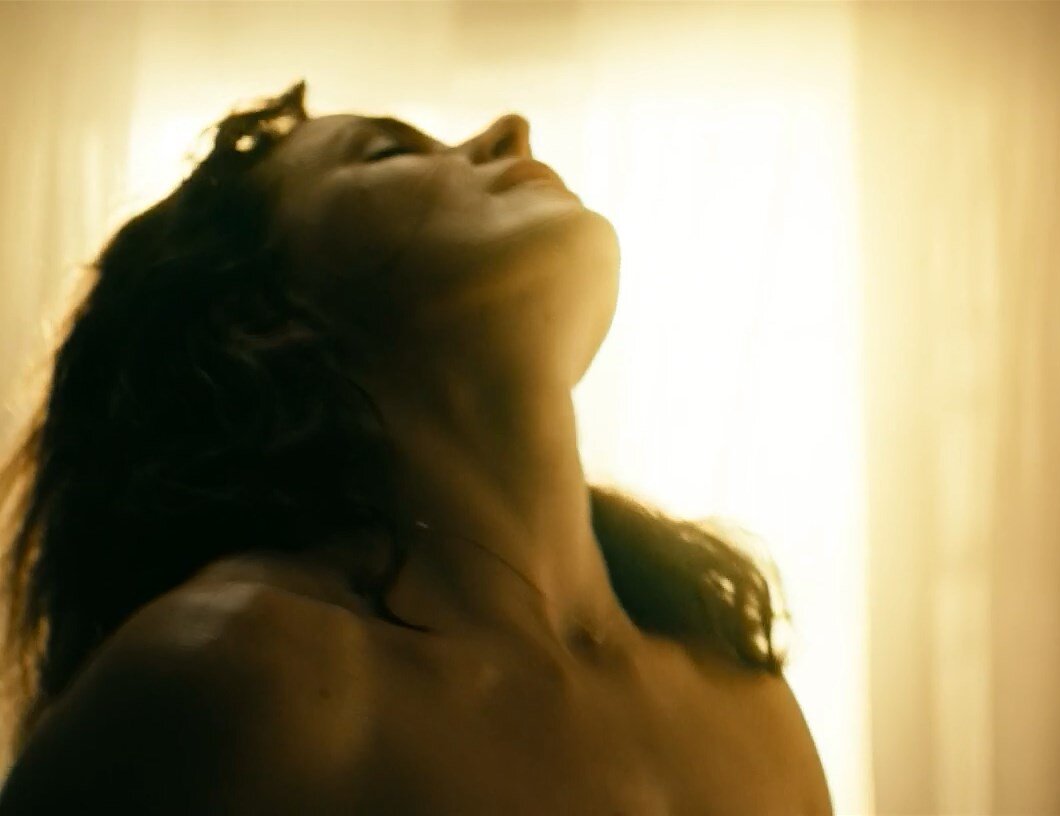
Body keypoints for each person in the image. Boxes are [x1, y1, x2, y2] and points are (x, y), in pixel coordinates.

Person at [0, 82, 832, 814]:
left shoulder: (753, 711)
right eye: (388, 152)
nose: (511, 130)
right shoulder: (233, 682)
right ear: (260, 321)